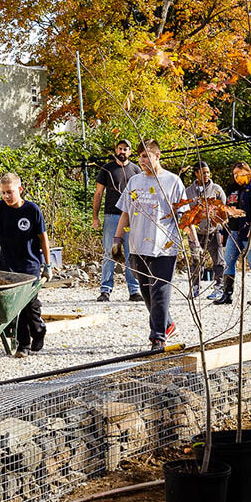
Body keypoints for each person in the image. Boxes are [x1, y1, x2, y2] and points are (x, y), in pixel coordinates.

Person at [113, 139, 195, 348]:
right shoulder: (134, 182)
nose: (142, 160)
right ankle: (167, 324)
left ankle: (157, 337)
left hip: (164, 246)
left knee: (160, 291)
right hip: (138, 245)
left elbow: (185, 216)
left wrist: (194, 242)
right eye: (140, 156)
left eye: (146, 156)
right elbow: (125, 213)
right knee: (147, 291)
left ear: (157, 156)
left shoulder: (172, 181)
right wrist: (117, 239)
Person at [0, 173, 53, 357]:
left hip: (29, 266)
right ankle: (23, 345)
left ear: (19, 189)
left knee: (30, 306)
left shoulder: (32, 210)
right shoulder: (0, 208)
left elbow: (43, 239)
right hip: (7, 265)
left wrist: (47, 265)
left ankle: (39, 330)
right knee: (13, 307)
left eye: (9, 192)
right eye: (3, 193)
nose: (6, 197)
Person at [91, 140, 143, 303]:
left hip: (131, 218)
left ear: (130, 151)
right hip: (112, 216)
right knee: (110, 252)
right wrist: (95, 216)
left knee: (130, 254)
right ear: (116, 150)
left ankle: (134, 290)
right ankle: (105, 290)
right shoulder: (107, 168)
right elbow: (98, 194)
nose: (122, 151)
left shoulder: (136, 170)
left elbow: (141, 195)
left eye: (126, 149)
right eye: (120, 148)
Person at [214, 162, 251, 306]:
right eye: (234, 174)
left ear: (246, 172)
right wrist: (222, 230)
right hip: (234, 230)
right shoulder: (233, 188)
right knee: (229, 261)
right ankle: (227, 295)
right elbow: (227, 210)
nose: (236, 177)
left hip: (249, 230)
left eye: (238, 173)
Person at [185, 161, 226, 299]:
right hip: (196, 232)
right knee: (196, 261)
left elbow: (223, 212)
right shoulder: (188, 191)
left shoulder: (217, 190)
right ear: (196, 174)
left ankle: (219, 287)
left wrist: (221, 230)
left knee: (218, 261)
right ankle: (195, 287)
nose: (206, 175)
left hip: (214, 231)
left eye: (208, 172)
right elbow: (185, 213)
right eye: (203, 172)